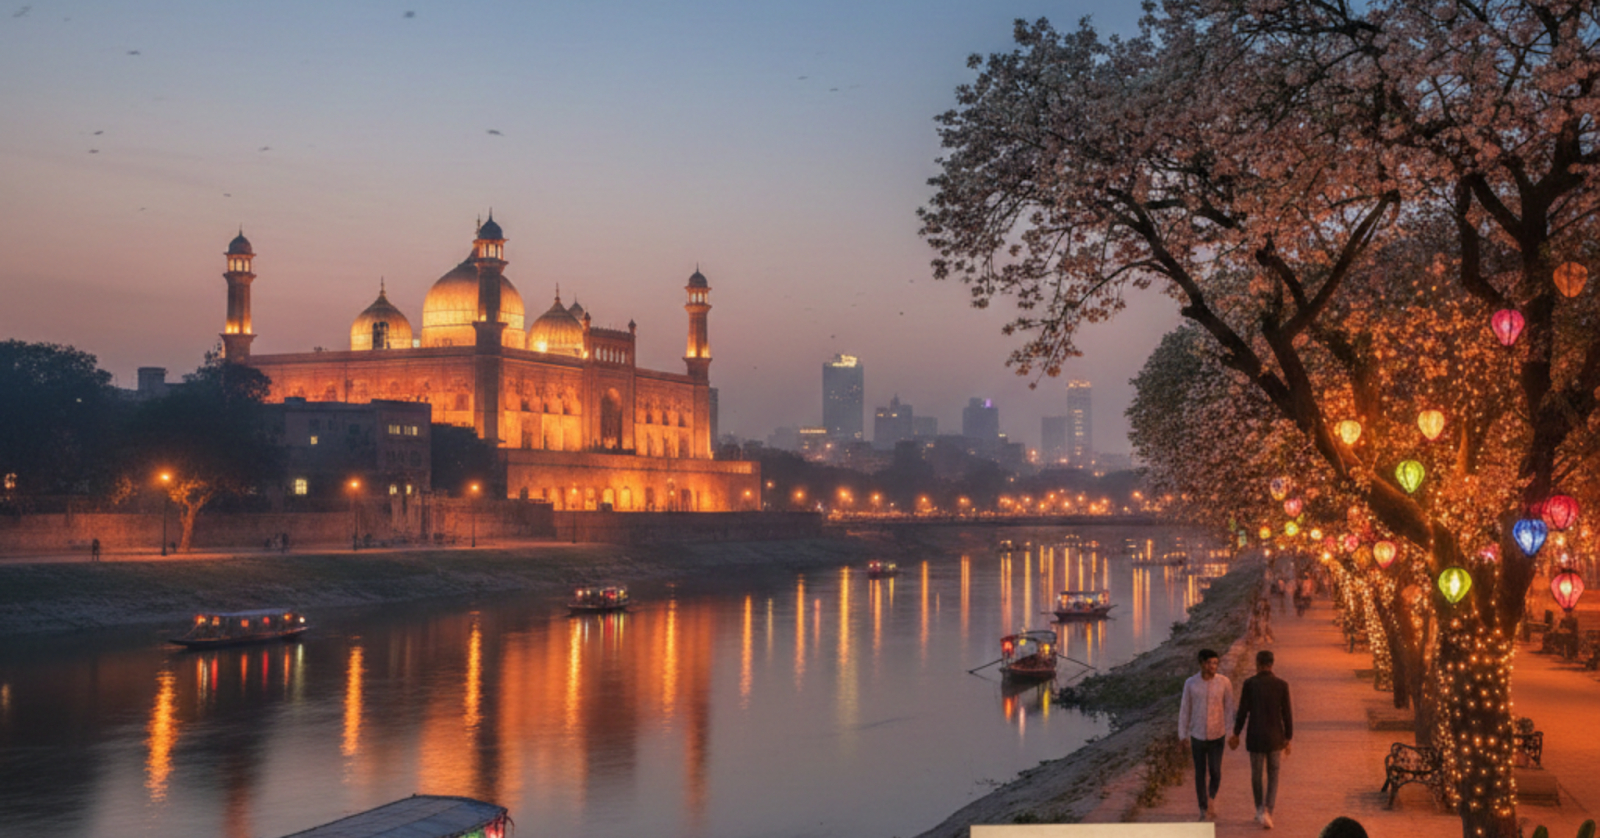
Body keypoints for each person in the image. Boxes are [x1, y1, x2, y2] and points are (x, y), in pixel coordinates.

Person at [1230, 649, 1293, 829]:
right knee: (1273, 775)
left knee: (1256, 775)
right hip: (1275, 738)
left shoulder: (1250, 684)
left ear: (1257, 664)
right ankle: (1268, 811)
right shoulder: (1282, 685)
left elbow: (1243, 711)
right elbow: (1287, 714)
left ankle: (1259, 809)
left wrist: (1236, 732)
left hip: (1256, 736)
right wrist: (1288, 737)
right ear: (1272, 664)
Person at [1178, 648, 1235, 821]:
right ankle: (1203, 808)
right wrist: (1182, 735)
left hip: (1218, 734)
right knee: (1200, 773)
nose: (1213, 666)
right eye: (1210, 663)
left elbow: (1229, 709)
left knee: (1216, 771)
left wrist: (1232, 733)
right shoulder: (1191, 683)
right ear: (1202, 663)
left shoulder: (1224, 682)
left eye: (1215, 663)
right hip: (1197, 734)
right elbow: (1185, 709)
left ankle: (1211, 799)